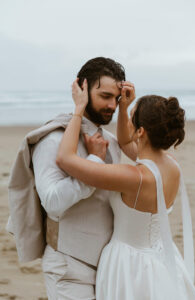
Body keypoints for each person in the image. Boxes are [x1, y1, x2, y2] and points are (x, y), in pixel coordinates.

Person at [56, 78, 195, 299]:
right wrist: (124, 108)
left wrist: (78, 109)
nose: (128, 121)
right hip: (162, 260)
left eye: (132, 118)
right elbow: (125, 141)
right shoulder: (171, 165)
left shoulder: (134, 177)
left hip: (128, 264)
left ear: (141, 132)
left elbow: (65, 159)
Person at [31, 57, 127, 299]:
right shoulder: (53, 139)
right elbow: (52, 201)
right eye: (105, 96)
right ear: (82, 89)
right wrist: (93, 162)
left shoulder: (112, 143)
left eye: (116, 99)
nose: (112, 106)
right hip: (69, 267)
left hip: (109, 269)